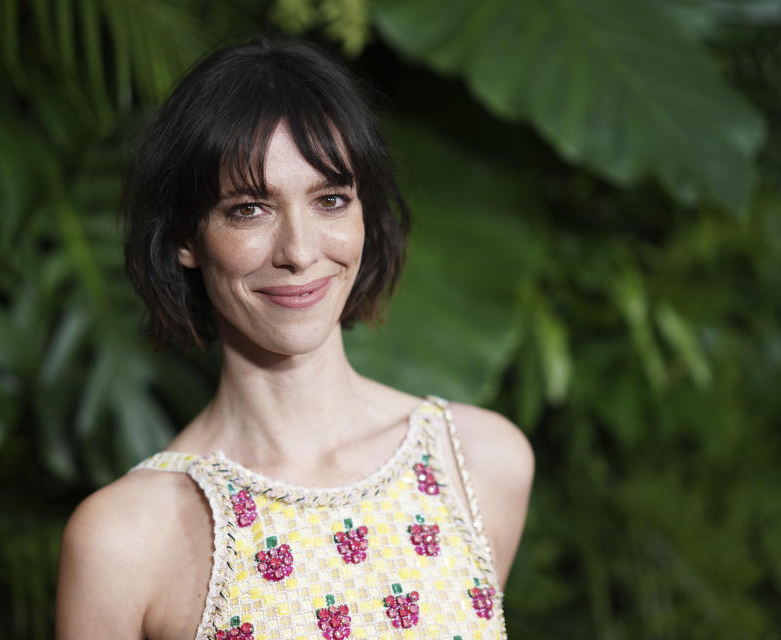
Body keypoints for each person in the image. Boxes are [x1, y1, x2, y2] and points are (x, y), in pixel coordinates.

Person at [55, 38, 533, 640]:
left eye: (331, 200)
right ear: (184, 237)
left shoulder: (482, 462)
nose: (301, 252)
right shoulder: (124, 538)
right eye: (250, 209)